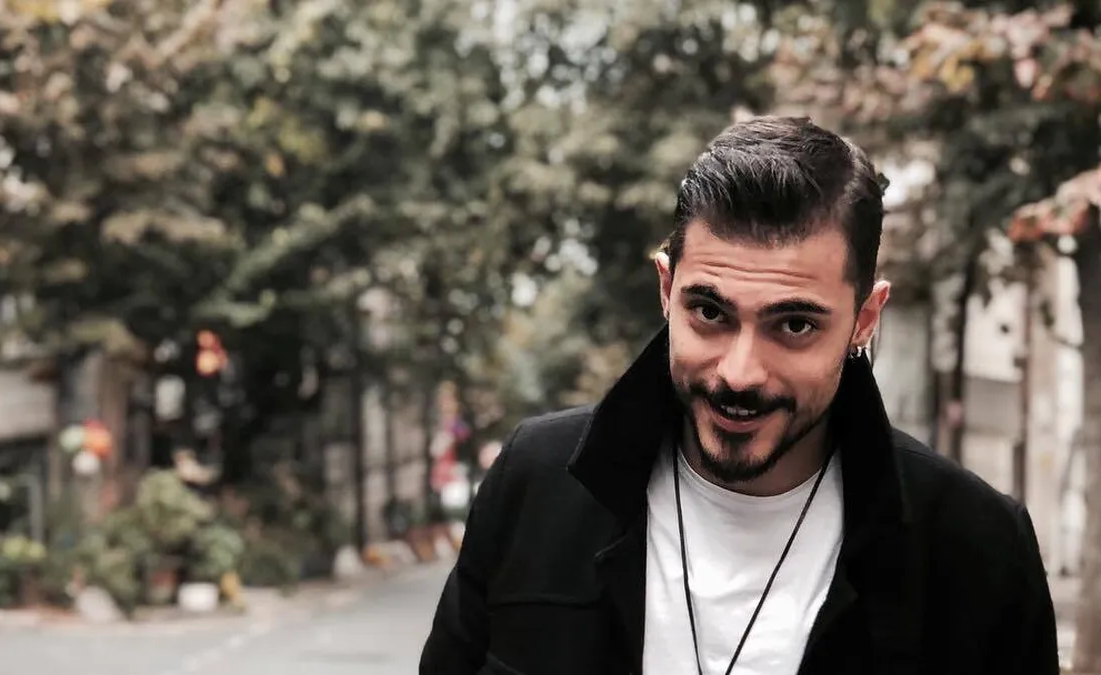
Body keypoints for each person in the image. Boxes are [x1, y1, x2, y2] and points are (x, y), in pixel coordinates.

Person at [418, 116, 1059, 675]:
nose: (740, 373)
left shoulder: (976, 548)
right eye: (710, 313)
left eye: (795, 325)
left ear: (865, 318)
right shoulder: (536, 483)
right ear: (666, 290)